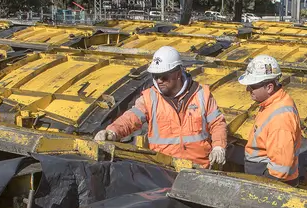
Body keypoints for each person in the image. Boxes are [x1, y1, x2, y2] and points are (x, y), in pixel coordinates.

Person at [94, 46, 227, 168]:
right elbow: (131, 118)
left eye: (163, 76)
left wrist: (218, 147)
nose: (158, 81)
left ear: (178, 73)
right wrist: (112, 131)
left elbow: (217, 123)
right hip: (164, 168)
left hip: (198, 167)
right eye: (155, 76)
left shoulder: (202, 95)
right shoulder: (150, 98)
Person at [237, 55, 302, 184]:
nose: (247, 89)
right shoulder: (270, 103)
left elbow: (280, 168)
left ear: (269, 87)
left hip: (270, 181)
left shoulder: (280, 118)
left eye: (252, 86)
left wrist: (263, 185)